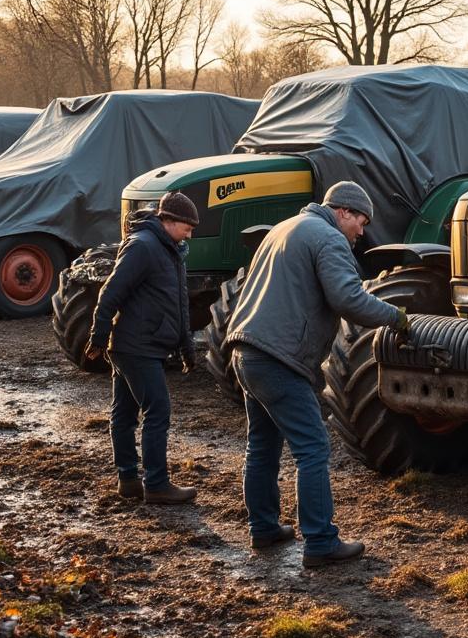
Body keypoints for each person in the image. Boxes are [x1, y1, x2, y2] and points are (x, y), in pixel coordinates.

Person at [226, 181, 409, 567]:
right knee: (313, 448)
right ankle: (321, 542)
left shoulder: (285, 228)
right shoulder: (327, 238)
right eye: (361, 220)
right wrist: (396, 317)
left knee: (261, 445)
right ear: (343, 211)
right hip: (279, 357)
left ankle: (264, 528)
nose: (362, 231)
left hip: (246, 349)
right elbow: (348, 298)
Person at [86, 192, 200, 505]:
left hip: (139, 344)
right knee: (157, 410)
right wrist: (98, 336)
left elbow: (179, 305)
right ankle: (157, 484)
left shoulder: (169, 250)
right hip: (137, 346)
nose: (190, 233)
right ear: (169, 221)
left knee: (124, 412)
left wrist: (187, 349)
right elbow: (111, 292)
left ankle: (128, 480)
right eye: (187, 227)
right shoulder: (143, 247)